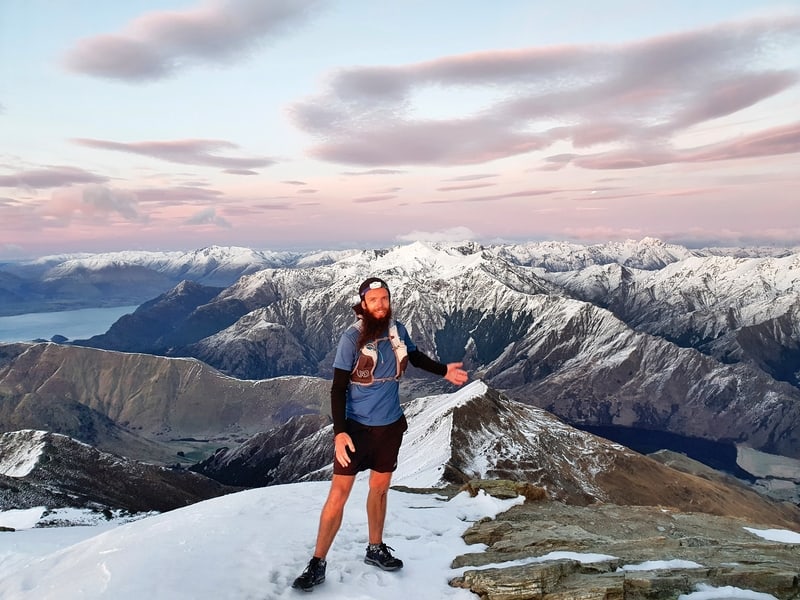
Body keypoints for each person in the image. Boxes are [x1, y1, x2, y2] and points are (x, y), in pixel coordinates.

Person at [292, 277, 469, 592]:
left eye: (385, 299)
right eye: (374, 300)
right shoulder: (352, 338)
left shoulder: (396, 330)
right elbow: (338, 387)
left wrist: (444, 371)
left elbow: (413, 356)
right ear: (363, 304)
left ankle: (375, 548)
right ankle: (317, 562)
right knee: (339, 494)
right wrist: (340, 433)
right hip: (357, 428)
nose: (381, 305)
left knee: (380, 489)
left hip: (389, 427)